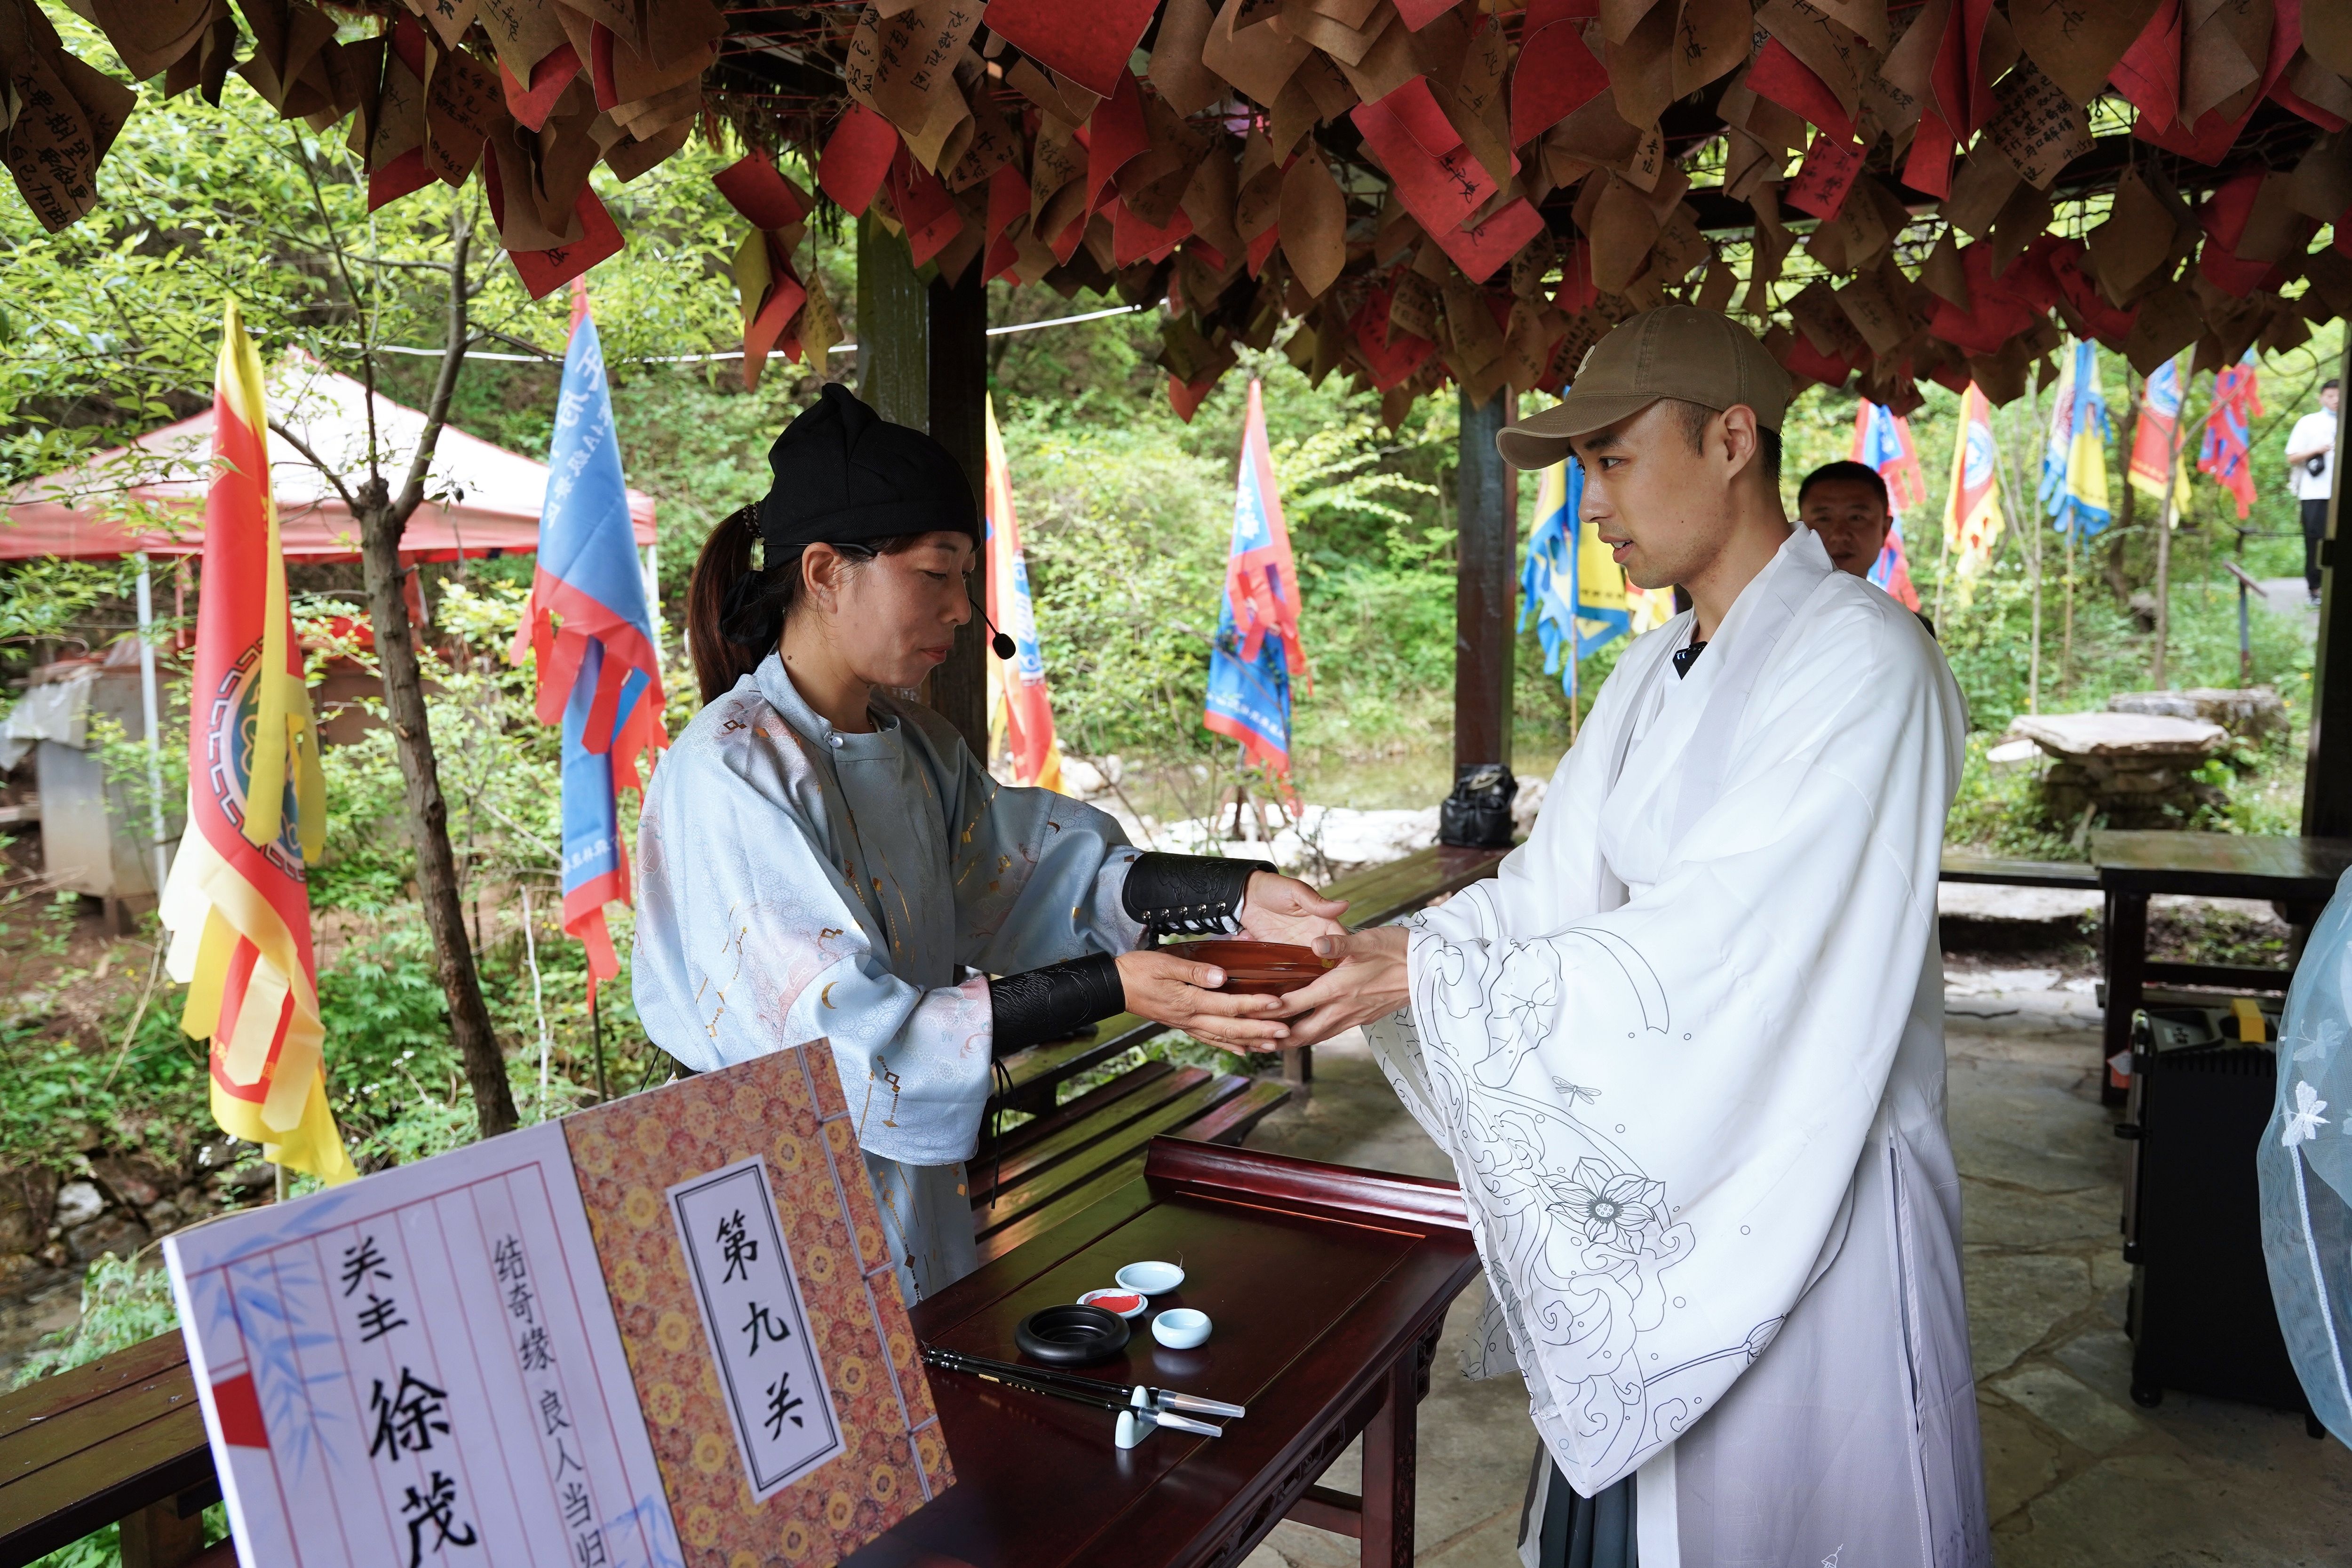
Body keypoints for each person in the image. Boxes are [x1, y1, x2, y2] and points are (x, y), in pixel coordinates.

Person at [1273, 306, 1986, 1567]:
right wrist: (1382, 952)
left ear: (1729, 440)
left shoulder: (1865, 664)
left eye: (1611, 458)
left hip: (1809, 1190)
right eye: (1585, 468)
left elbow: (1729, 941)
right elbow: (1552, 892)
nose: (1592, 502)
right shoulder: (1652, 672)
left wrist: (1434, 974)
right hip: (1683, 1193)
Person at [632, 383, 1344, 1303]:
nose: (964, 609)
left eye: (965, 576)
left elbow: (1035, 869)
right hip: (775, 1195)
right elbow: (835, 1035)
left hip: (914, 1182)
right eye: (936, 574)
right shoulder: (731, 771)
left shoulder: (917, 745)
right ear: (822, 572)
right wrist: (1113, 986)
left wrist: (1232, 891)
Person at [1799, 458, 1938, 637]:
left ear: (1885, 530)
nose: (1839, 534)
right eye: (1824, 519)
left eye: (1856, 518)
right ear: (1800, 529)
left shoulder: (1913, 632)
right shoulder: (1768, 621)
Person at [2287, 377, 2338, 602]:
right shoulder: (2309, 422)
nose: (2336, 400)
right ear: (2321, 397)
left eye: (2340, 396)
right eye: (2330, 396)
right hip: (2315, 493)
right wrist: (2316, 450)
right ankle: (2315, 589)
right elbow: (2292, 456)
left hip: (2340, 495)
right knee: (2315, 541)